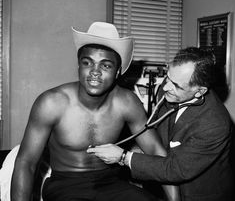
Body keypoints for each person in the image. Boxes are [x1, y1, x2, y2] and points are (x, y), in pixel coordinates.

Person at [11, 22, 179, 201]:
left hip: (111, 184)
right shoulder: (52, 102)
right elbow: (26, 162)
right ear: (78, 65)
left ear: (117, 72)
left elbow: (156, 151)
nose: (95, 72)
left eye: (106, 65)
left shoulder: (127, 102)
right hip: (65, 186)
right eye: (87, 62)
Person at [87, 47, 235, 201]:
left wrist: (124, 157)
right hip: (163, 185)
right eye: (168, 77)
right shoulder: (170, 87)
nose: (165, 87)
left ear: (199, 92)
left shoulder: (214, 124)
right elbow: (159, 132)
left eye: (177, 86)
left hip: (199, 193)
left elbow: (175, 170)